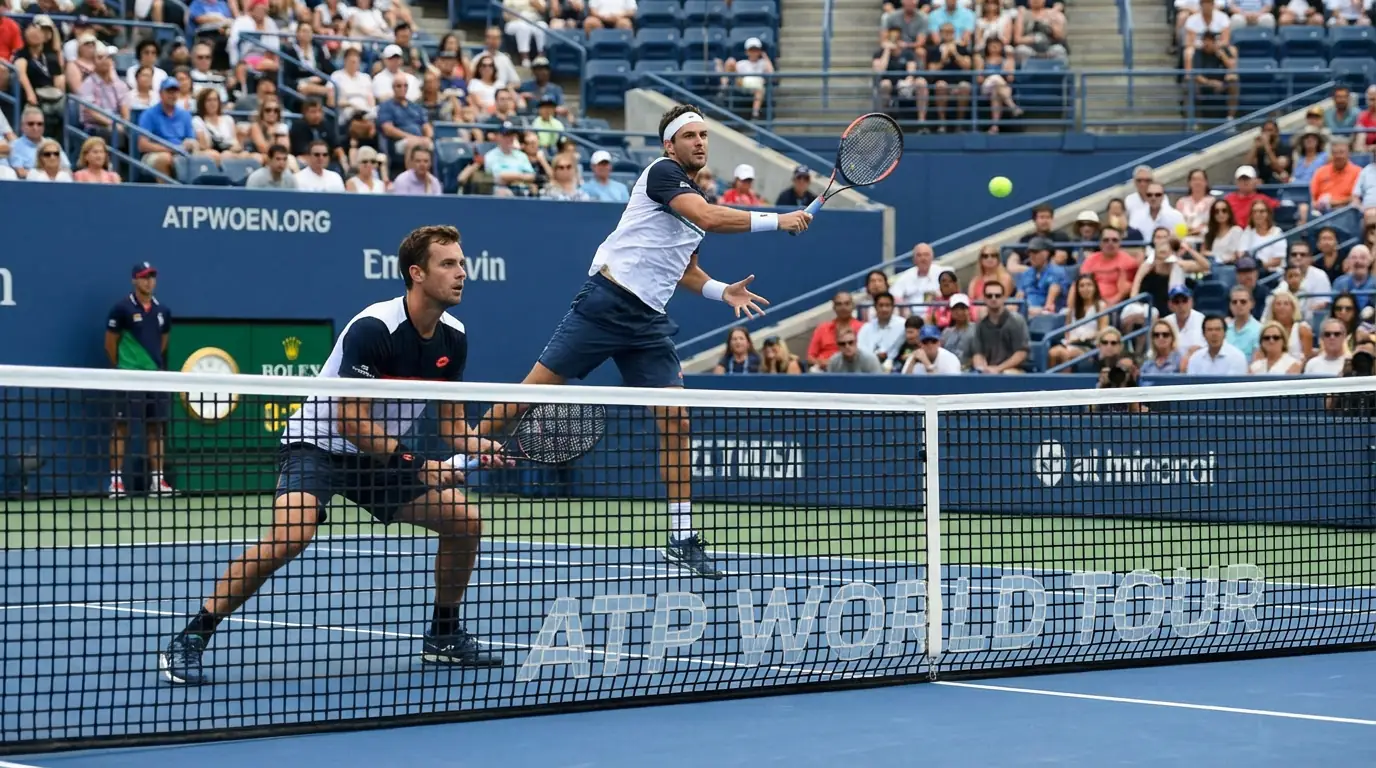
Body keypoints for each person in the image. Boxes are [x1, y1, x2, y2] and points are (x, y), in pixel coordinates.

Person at [158, 226, 510, 686]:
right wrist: (423, 467)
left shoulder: (454, 338)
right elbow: (350, 422)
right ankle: (192, 636)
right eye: (448, 264)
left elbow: (452, 428)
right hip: (317, 446)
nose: (461, 272)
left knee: (464, 523)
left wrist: (481, 447)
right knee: (291, 536)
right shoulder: (374, 329)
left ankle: (443, 636)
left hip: (377, 459)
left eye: (462, 263)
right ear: (417, 273)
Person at [472, 104, 811, 580]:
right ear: (670, 145)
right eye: (690, 135)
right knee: (531, 393)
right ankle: (451, 461)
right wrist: (779, 220)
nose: (700, 142)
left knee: (676, 420)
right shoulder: (662, 173)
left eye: (704, 135)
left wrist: (722, 291)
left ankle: (681, 537)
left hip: (649, 323)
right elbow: (710, 217)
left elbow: (687, 271)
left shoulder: (695, 199)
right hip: (606, 303)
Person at [105, 262, 175, 499]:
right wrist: (125, 366)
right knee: (121, 427)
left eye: (152, 277)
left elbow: (162, 342)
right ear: (134, 280)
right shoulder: (121, 309)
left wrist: (149, 365)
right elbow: (110, 343)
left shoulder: (163, 311)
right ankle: (116, 482)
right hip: (127, 377)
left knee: (156, 428)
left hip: (154, 378)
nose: (149, 281)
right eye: (144, 277)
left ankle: (157, 481)